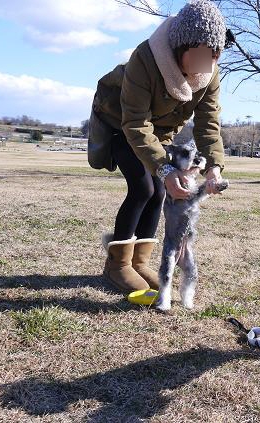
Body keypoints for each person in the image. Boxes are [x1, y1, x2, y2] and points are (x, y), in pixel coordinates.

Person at [90, 0, 231, 293]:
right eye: (202, 55)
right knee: (144, 187)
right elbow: (135, 123)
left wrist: (214, 168)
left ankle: (139, 263)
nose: (208, 64)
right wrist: (164, 169)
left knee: (159, 193)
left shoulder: (210, 72)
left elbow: (208, 123)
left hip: (160, 132)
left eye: (214, 55)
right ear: (182, 47)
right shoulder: (145, 59)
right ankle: (117, 266)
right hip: (121, 124)